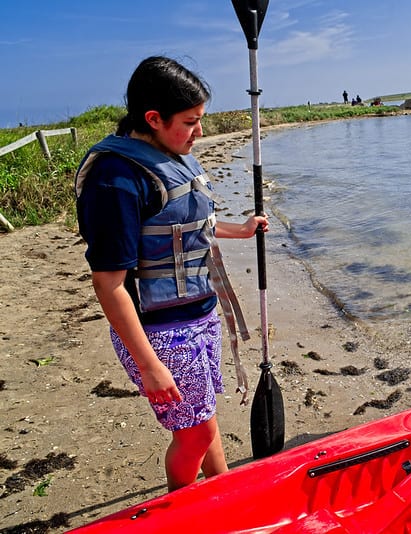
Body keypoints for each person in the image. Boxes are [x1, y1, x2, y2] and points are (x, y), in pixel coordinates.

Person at [75, 56, 269, 491]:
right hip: (160, 335)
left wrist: (240, 229)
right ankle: (181, 508)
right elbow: (108, 283)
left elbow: (183, 226)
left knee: (204, 420)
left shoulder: (172, 155)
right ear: (153, 119)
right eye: (190, 122)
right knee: (194, 433)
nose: (199, 132)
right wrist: (150, 366)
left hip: (200, 315)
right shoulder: (115, 180)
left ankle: (220, 494)